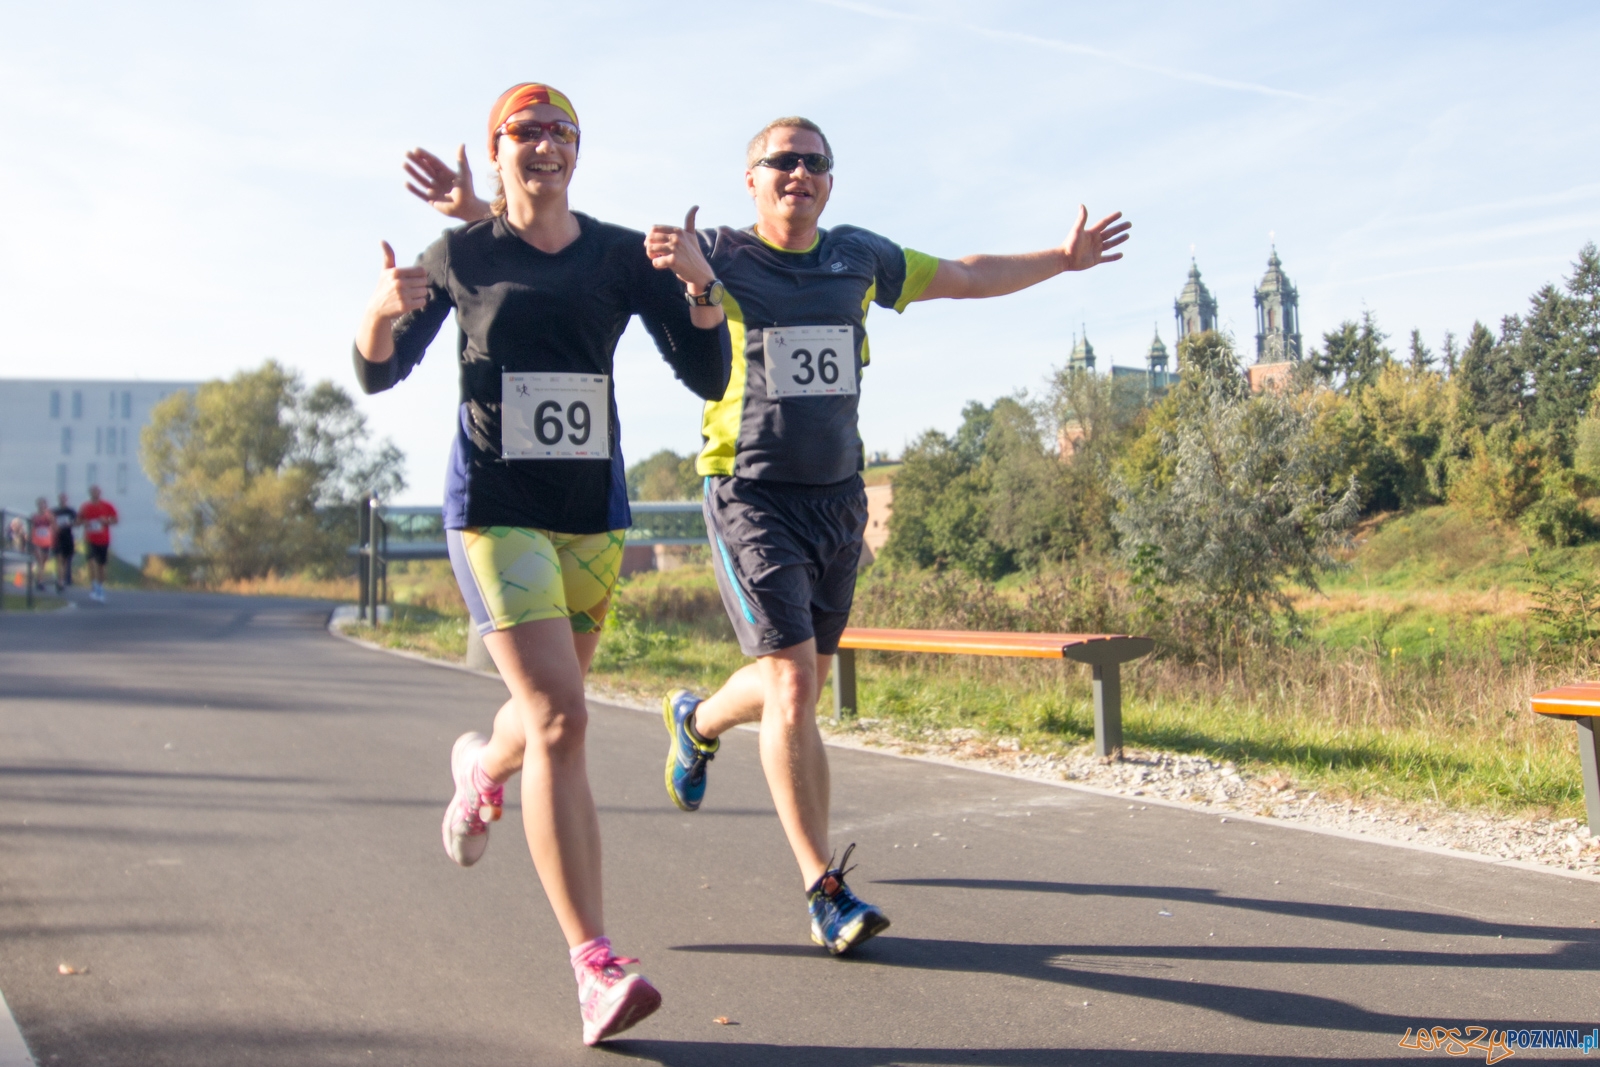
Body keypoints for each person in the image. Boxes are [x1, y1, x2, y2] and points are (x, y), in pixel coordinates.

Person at [404, 115, 1130, 957]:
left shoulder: (859, 256)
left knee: (799, 681)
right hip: (748, 492)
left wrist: (1061, 260)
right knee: (792, 684)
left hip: (837, 497)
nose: (799, 173)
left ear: (831, 181)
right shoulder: (716, 251)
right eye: (781, 160)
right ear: (750, 178)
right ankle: (823, 886)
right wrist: (477, 208)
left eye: (816, 162)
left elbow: (965, 274)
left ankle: (699, 720)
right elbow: (567, 250)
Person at [355, 83, 728, 1047]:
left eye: (561, 132)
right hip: (495, 509)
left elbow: (710, 375)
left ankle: (480, 769)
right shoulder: (462, 255)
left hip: (590, 518)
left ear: (578, 152)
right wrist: (377, 314)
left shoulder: (615, 254)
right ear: (497, 149)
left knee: (537, 719)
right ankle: (595, 965)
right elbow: (379, 371)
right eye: (525, 132)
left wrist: (696, 287)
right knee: (564, 716)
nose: (545, 146)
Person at [77, 485, 119, 602]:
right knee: (91, 562)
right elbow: (78, 520)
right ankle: (94, 586)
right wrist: (84, 522)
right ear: (90, 493)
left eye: (97, 491)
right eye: (93, 491)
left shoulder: (107, 506)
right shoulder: (85, 506)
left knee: (101, 565)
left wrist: (106, 521)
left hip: (103, 539)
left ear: (100, 493)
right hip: (89, 539)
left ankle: (100, 587)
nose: (95, 493)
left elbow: (115, 520)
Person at [50, 492, 77, 593]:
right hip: (57, 537)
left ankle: (63, 579)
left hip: (68, 537)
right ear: (59, 500)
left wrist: (69, 524)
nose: (63, 500)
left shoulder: (71, 511)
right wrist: (55, 527)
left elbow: (76, 522)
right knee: (59, 558)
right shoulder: (54, 511)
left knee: (65, 560)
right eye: (61, 498)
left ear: (67, 500)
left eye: (64, 498)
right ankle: (60, 581)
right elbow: (50, 522)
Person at [29, 499, 53, 591]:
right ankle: (39, 582)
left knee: (42, 563)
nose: (41, 507)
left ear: (45, 506)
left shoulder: (49, 516)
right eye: (40, 505)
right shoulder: (34, 516)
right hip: (36, 541)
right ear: (37, 505)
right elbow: (31, 528)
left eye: (43, 505)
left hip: (46, 542)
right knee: (39, 561)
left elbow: (53, 527)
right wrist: (30, 540)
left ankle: (39, 579)